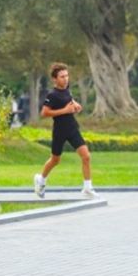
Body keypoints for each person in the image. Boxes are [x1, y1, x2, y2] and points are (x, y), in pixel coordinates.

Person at [33, 62, 95, 199]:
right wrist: (65, 110)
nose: (66, 79)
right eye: (62, 77)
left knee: (86, 156)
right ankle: (41, 180)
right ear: (55, 79)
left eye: (67, 76)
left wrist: (75, 105)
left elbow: (68, 100)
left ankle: (87, 188)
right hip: (60, 131)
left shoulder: (67, 90)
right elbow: (44, 113)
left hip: (72, 128)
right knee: (55, 160)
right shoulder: (52, 95)